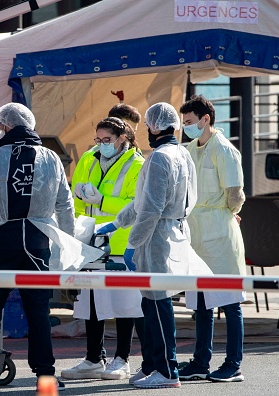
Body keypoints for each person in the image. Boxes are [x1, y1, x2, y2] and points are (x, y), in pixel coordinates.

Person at [0, 103, 76, 393]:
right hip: (36, 240)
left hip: (2, 239)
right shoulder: (50, 158)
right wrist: (70, 241)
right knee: (37, 310)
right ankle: (46, 375)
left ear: (7, 126)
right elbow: (65, 203)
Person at [97, 102, 198, 389]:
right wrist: (118, 222)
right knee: (151, 302)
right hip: (171, 231)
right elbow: (143, 202)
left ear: (153, 126)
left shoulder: (159, 158)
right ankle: (153, 363)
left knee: (158, 305)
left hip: (155, 238)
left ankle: (167, 371)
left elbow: (150, 208)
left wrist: (132, 242)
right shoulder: (181, 153)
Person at [61, 114, 147, 381]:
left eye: (106, 140)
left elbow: (136, 205)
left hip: (121, 241)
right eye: (98, 140)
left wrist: (102, 201)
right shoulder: (89, 158)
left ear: (123, 139)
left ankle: (122, 359)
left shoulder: (137, 165)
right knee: (91, 303)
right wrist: (74, 226)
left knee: (125, 304)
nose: (101, 145)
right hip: (90, 241)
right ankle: (93, 358)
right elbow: (74, 195)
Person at [178, 95, 246, 382]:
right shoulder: (189, 148)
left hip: (219, 229)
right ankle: (201, 360)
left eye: (190, 122)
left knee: (230, 301)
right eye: (184, 123)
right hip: (196, 231)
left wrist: (228, 213)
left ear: (206, 119)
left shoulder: (225, 149)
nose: (186, 128)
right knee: (201, 302)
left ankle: (234, 363)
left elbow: (235, 195)